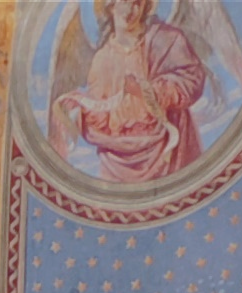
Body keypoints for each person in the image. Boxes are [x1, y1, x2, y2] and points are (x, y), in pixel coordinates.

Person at [51, 0, 210, 178]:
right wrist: (80, 112)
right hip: (117, 160)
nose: (131, 10)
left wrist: (148, 91)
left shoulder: (167, 40)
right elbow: (101, 118)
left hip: (167, 153)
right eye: (125, 1)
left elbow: (191, 80)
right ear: (110, 6)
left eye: (138, 3)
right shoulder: (102, 60)